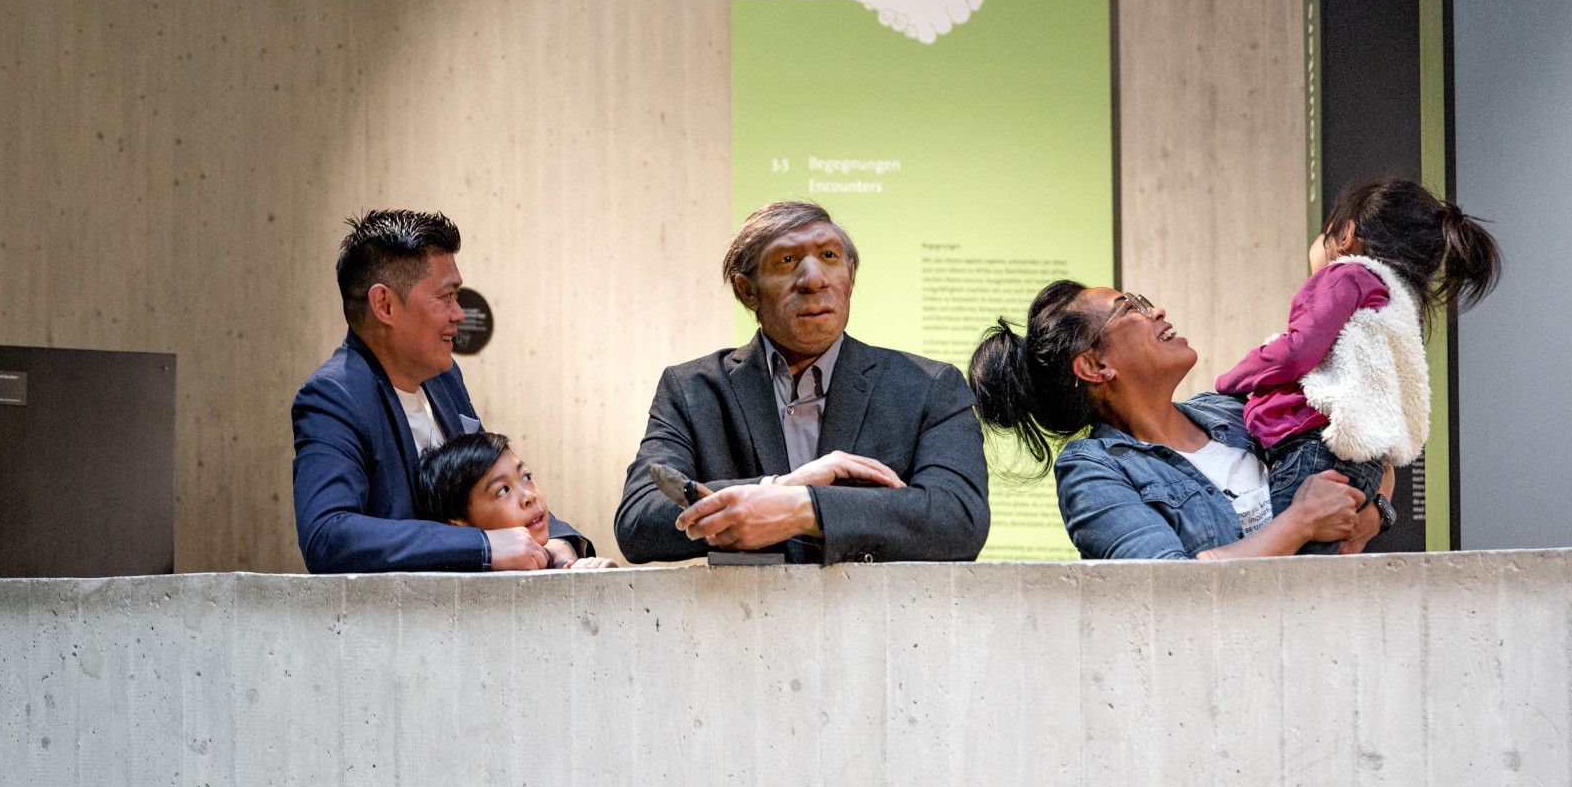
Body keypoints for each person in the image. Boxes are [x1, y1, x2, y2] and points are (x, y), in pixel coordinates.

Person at [614, 200, 989, 563]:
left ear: (851, 276)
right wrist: (775, 488)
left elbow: (958, 518)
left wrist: (803, 508)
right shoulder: (693, 390)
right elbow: (640, 519)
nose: (813, 279)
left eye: (829, 256)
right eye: (787, 261)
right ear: (748, 290)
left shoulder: (928, 387)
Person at [968, 280, 1388, 561]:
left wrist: (1374, 513)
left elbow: (1366, 452)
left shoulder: (1231, 409)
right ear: (1095, 366)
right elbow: (1172, 589)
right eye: (1128, 307)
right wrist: (1302, 523)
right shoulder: (1092, 470)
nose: (1156, 311)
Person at [1215, 179, 1501, 552]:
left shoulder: (1345, 274)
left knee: (1289, 570)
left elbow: (1298, 351)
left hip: (1313, 449)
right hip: (1359, 462)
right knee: (1318, 572)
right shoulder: (1394, 299)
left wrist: (1232, 378)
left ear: (1347, 233)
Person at [291, 209, 555, 573]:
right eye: (446, 296)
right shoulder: (334, 395)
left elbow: (491, 486)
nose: (459, 313)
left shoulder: (444, 378)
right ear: (384, 305)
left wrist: (559, 543)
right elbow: (328, 534)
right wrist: (480, 546)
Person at [414, 431, 615, 569]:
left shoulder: (565, 564)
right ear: (460, 528)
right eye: (503, 490)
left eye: (526, 477)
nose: (529, 496)